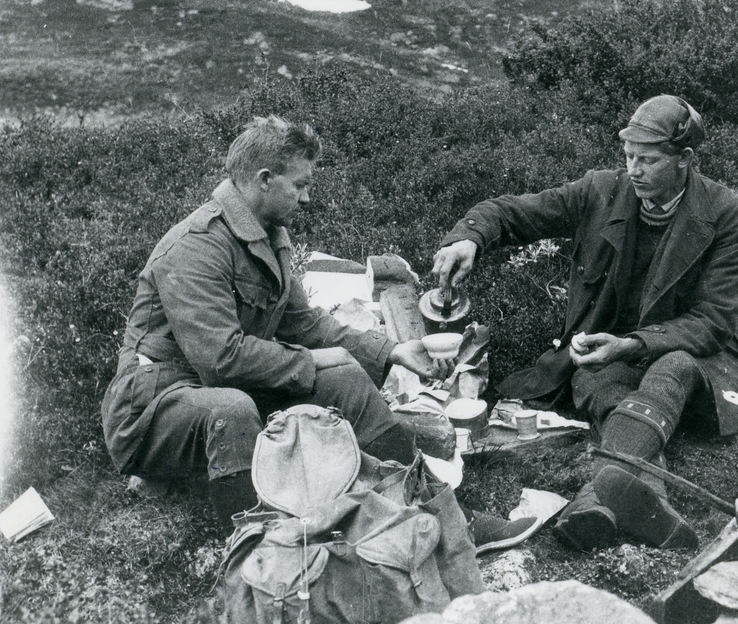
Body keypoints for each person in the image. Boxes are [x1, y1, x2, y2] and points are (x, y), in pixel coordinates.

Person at [102, 115, 540, 552]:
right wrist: (311, 361)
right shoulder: (195, 247)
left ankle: (447, 519)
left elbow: (303, 323)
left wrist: (391, 351)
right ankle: (253, 559)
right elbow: (221, 360)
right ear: (264, 179)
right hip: (153, 410)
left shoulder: (269, 236)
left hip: (217, 391)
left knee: (345, 381)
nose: (308, 198)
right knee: (231, 409)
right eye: (300, 185)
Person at [433, 95, 738, 552]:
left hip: (701, 359)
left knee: (672, 367)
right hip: (609, 356)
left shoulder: (726, 212)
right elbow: (515, 212)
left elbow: (711, 321)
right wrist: (469, 237)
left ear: (685, 160)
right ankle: (644, 502)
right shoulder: (600, 190)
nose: (633, 169)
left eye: (648, 160)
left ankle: (592, 499)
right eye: (629, 156)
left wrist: (631, 345)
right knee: (600, 380)